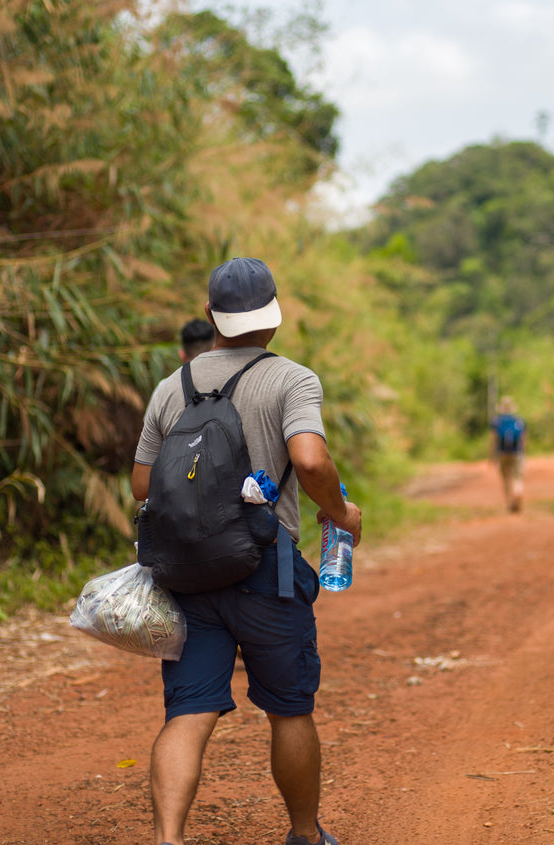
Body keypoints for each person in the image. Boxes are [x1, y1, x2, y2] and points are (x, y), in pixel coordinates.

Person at [131, 257, 362, 845]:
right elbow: (309, 460)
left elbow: (142, 486)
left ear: (210, 315)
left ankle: (168, 840)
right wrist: (342, 514)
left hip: (188, 576)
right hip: (268, 572)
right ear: (274, 316)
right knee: (288, 708)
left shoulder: (170, 387)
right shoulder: (291, 379)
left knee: (188, 712)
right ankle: (305, 835)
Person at [489, 396, 526, 513]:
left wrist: (491, 455)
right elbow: (524, 440)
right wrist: (523, 452)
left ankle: (510, 502)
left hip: (502, 453)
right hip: (517, 452)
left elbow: (493, 440)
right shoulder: (519, 421)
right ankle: (517, 492)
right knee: (517, 477)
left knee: (505, 478)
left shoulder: (497, 422)